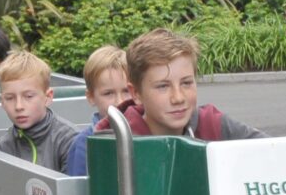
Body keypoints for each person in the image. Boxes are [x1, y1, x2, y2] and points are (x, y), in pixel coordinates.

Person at [96, 28, 265, 141]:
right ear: (136, 93)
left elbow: (275, 152)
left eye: (186, 83)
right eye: (163, 86)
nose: (178, 98)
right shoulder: (115, 142)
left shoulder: (214, 125)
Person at [0, 51, 79, 171]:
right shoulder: (5, 144)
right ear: (2, 101)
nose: (19, 106)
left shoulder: (69, 140)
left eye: (29, 96)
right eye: (10, 98)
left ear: (48, 97)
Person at [66, 45, 130, 176]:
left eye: (126, 91)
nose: (120, 102)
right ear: (91, 97)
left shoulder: (149, 132)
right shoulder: (84, 145)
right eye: (108, 93)